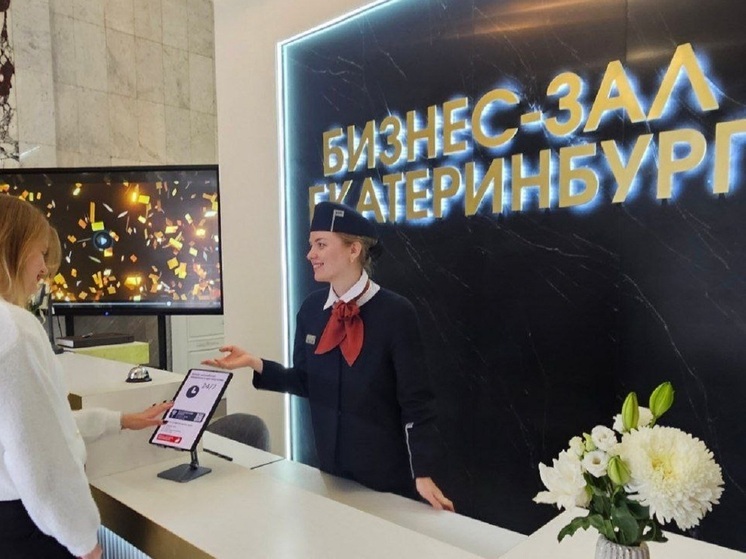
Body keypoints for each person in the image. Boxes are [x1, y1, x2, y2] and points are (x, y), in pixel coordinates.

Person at [203, 200, 454, 511]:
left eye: (321, 244)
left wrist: (423, 472)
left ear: (354, 250)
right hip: (330, 473)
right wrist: (255, 363)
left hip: (387, 479)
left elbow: (416, 403)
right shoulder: (311, 310)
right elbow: (306, 381)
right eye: (311, 245)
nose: (310, 254)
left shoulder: (396, 313)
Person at [0, 195, 172, 559]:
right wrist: (83, 540)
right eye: (40, 253)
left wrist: (121, 420)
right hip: (29, 529)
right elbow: (40, 455)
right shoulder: (15, 330)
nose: (43, 270)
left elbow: (37, 425)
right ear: (14, 248)